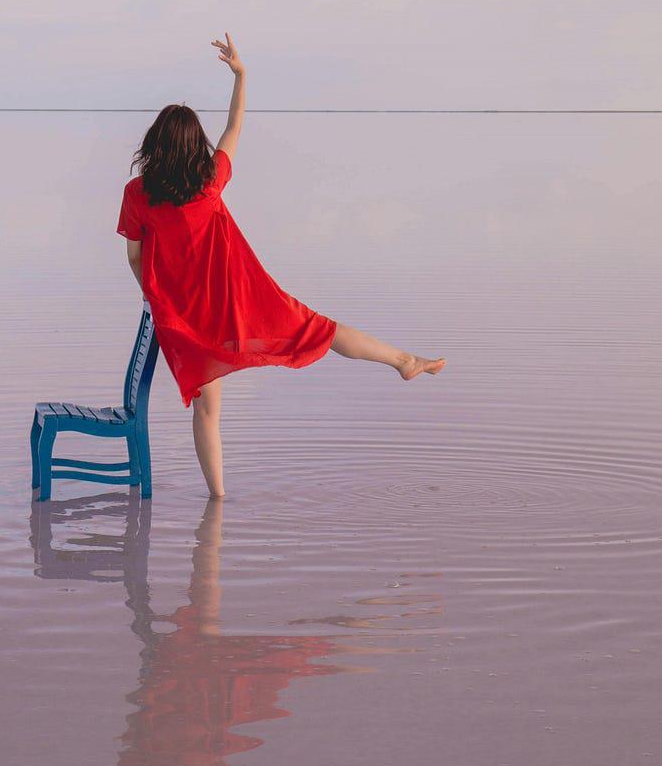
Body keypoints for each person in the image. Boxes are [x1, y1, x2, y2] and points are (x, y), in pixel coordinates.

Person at [117, 33, 445, 498]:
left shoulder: (138, 194)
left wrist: (158, 298)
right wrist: (241, 75)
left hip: (185, 322)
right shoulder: (209, 182)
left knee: (207, 412)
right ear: (194, 147)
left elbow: (135, 257)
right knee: (319, 329)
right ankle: (402, 360)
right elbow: (234, 128)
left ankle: (218, 503)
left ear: (154, 144)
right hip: (238, 304)